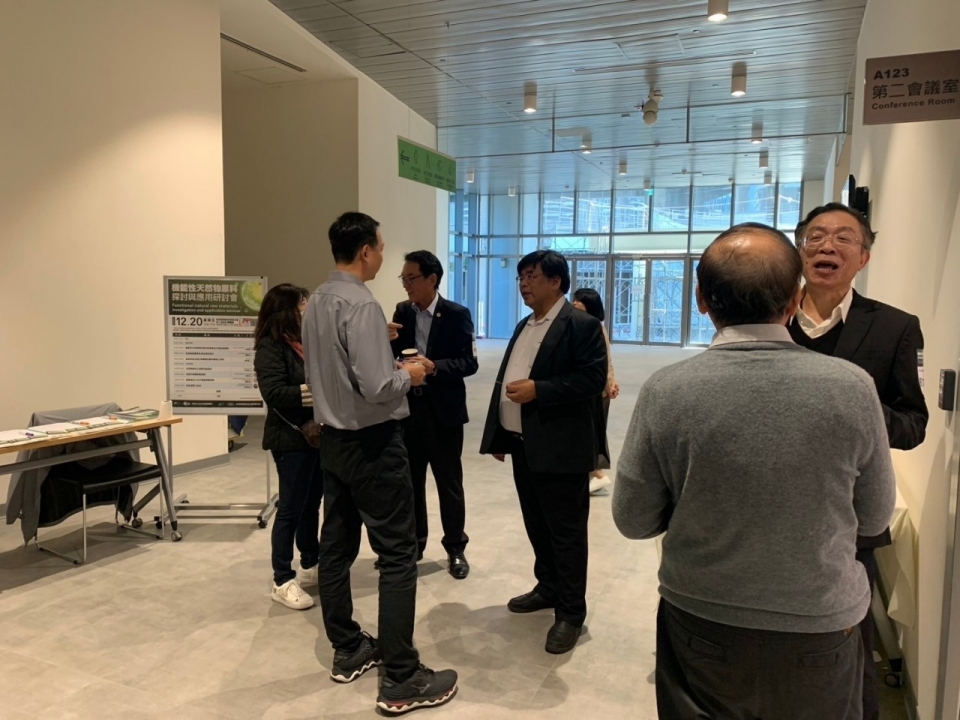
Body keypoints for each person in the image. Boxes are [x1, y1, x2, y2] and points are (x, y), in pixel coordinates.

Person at [613, 223, 896, 719]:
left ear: (701, 300)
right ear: (794, 300)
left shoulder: (667, 390)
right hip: (820, 624)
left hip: (703, 616)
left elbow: (633, 519)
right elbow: (874, 518)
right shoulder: (852, 387)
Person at [302, 212, 457, 714]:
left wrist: (380, 353)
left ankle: (347, 647)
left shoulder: (317, 300)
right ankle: (402, 677)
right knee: (396, 556)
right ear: (366, 250)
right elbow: (377, 387)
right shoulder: (362, 304)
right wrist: (411, 374)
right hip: (373, 444)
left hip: (334, 441)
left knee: (336, 547)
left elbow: (334, 371)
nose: (384, 258)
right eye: (382, 249)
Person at [788, 202, 928, 720]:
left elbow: (913, 424)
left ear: (864, 257)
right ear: (800, 251)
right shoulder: (770, 318)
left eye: (844, 238)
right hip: (768, 511)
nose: (828, 245)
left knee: (848, 650)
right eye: (816, 236)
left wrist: (857, 410)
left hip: (849, 521)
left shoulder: (895, 327)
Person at [479, 249, 608, 655]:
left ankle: (570, 612)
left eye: (531, 276)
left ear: (556, 281)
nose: (523, 284)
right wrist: (501, 433)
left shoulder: (581, 325)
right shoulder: (525, 325)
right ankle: (548, 587)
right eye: (520, 277)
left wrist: (540, 390)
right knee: (537, 524)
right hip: (525, 444)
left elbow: (592, 380)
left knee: (566, 533)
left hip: (562, 448)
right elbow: (506, 379)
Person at [391, 249, 478, 579]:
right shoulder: (403, 312)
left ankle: (455, 548)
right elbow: (392, 355)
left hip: (444, 412)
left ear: (432, 279)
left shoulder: (456, 314)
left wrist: (434, 367)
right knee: (410, 483)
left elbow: (469, 363)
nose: (406, 284)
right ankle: (414, 546)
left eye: (411, 278)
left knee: (449, 483)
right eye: (403, 278)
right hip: (409, 410)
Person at [254, 283, 321, 611]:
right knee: (291, 508)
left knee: (312, 504)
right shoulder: (270, 346)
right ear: (285, 311)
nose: (306, 309)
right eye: (301, 304)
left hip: (315, 436)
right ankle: (282, 579)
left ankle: (311, 562)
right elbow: (274, 393)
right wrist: (316, 391)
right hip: (289, 438)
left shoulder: (304, 342)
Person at [571, 288, 619, 495]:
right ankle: (591, 474)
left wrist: (609, 383)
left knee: (588, 435)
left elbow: (604, 360)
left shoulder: (594, 327)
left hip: (596, 391)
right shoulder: (584, 325)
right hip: (595, 389)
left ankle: (597, 475)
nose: (575, 303)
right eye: (574, 299)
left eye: (580, 301)